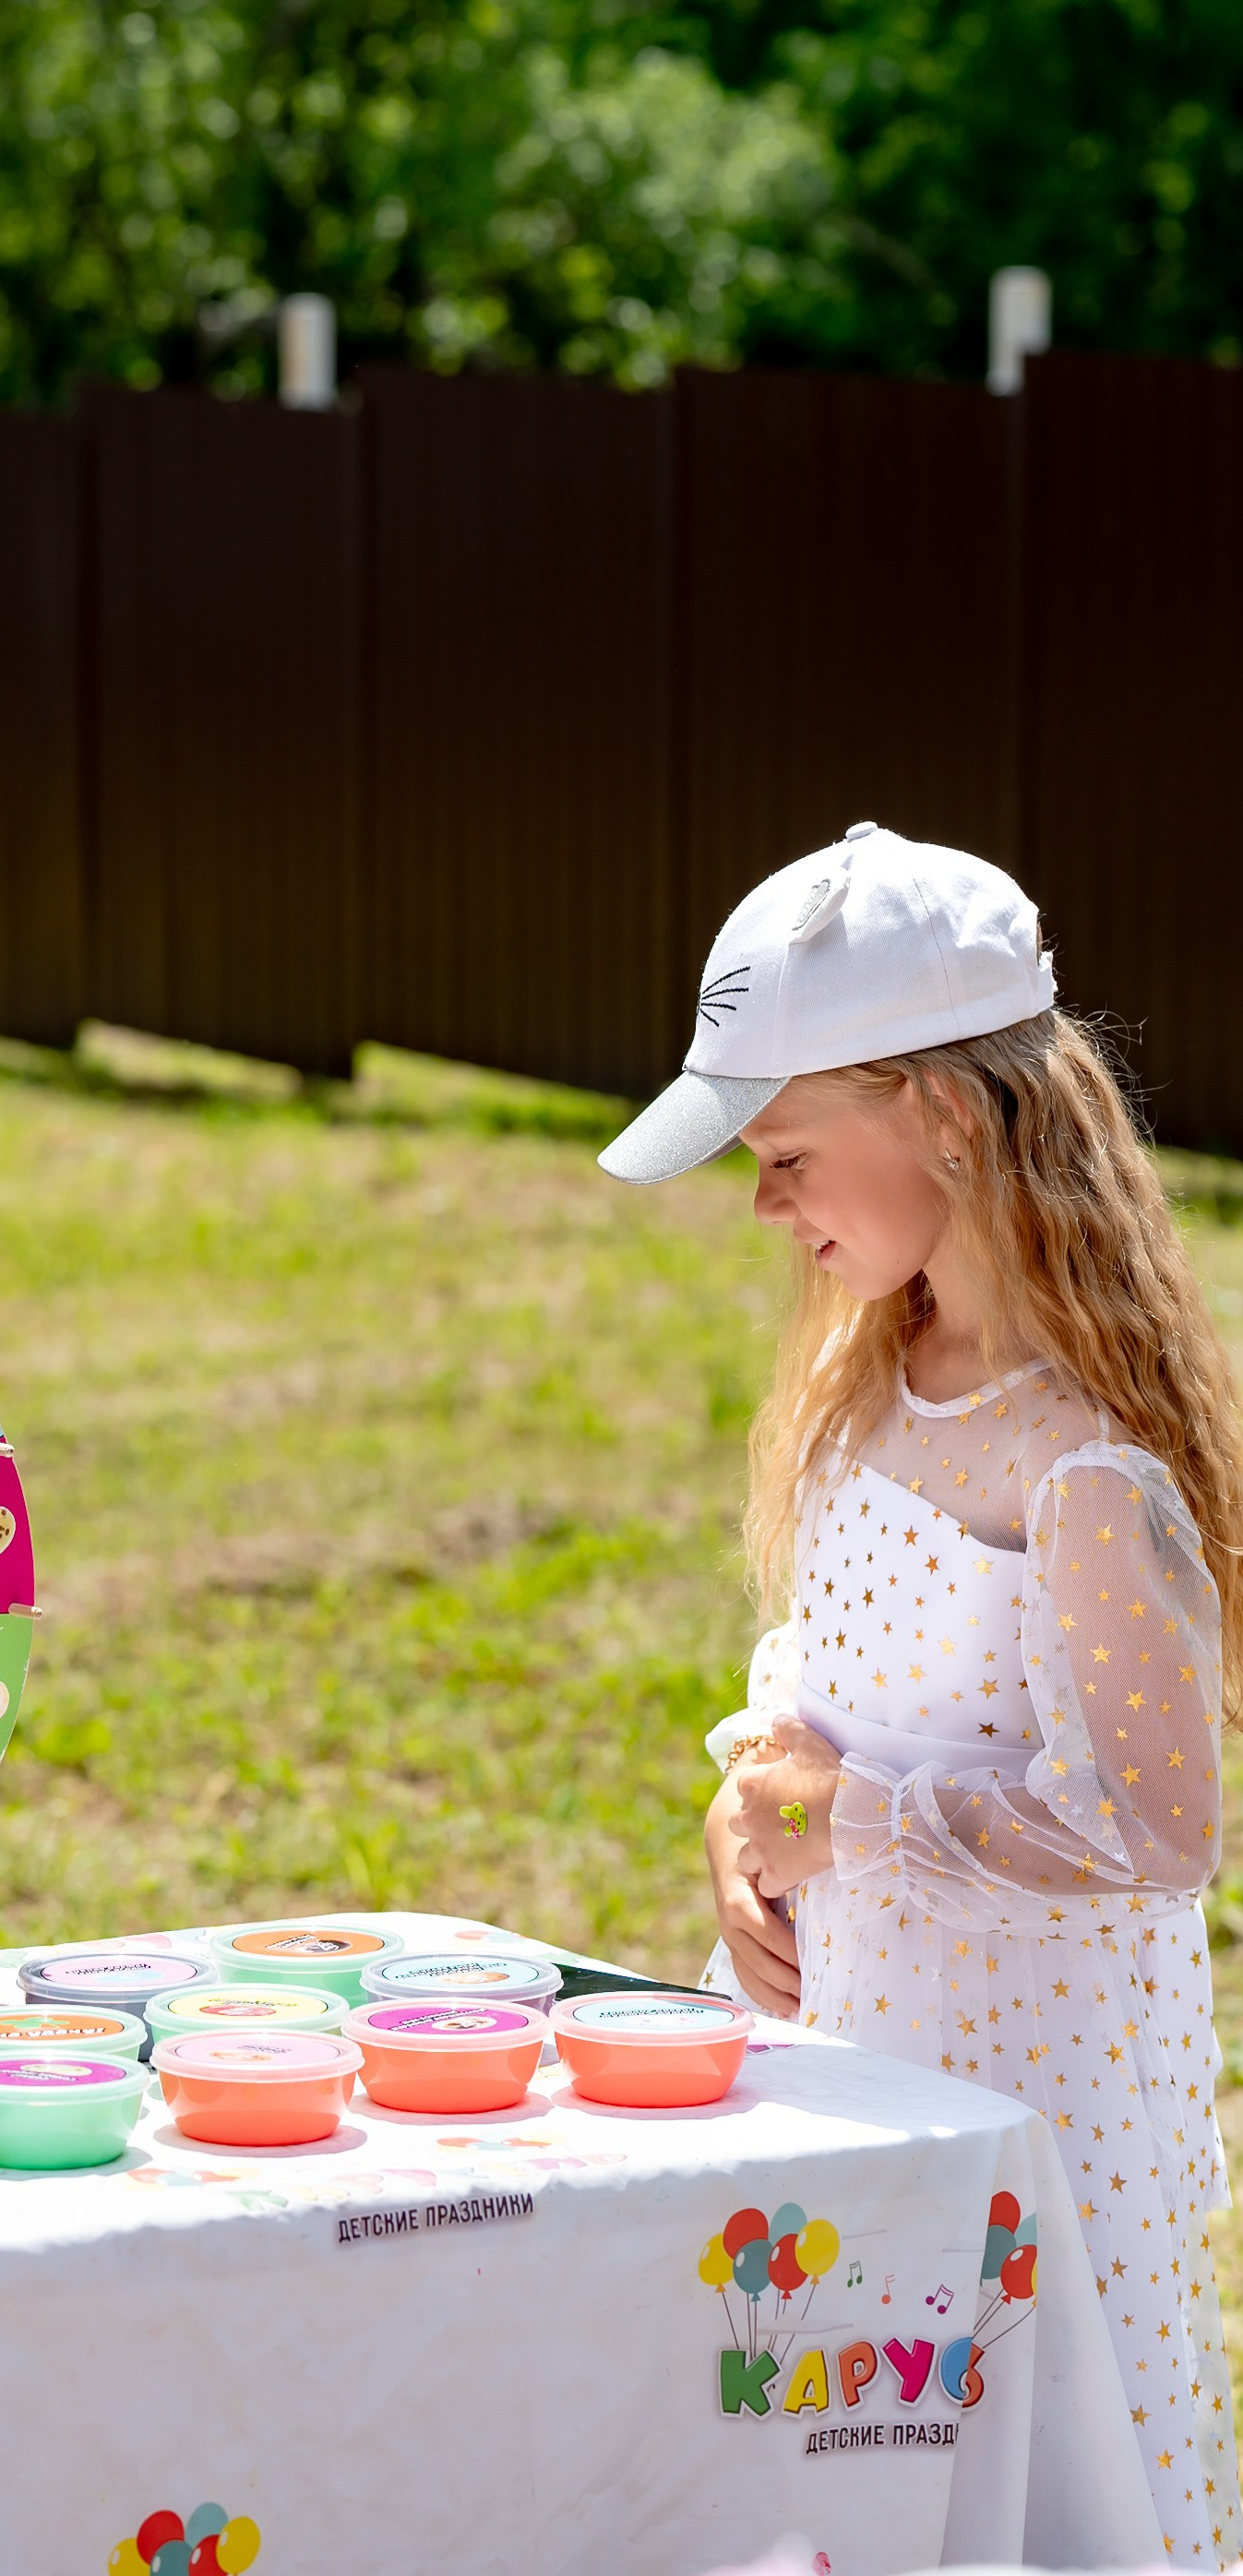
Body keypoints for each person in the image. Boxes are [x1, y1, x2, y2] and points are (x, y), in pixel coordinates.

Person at [602, 820, 1241, 2561]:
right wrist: (750, 1805)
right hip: (878, 2040)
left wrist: (857, 1819)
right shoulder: (878, 1383)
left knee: (1025, 2473)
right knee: (862, 2454)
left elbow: (1161, 1829)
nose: (763, 1200)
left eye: (789, 1151)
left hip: (1041, 2097)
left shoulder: (1082, 1470)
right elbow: (827, 1669)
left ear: (942, 1113)